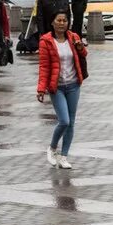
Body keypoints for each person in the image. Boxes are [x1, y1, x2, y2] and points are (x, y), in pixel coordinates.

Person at [35, 11, 89, 170]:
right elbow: (44, 66)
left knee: (71, 122)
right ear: (52, 22)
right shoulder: (46, 41)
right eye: (58, 20)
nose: (61, 23)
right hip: (56, 87)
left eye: (64, 20)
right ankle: (52, 148)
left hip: (73, 85)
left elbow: (84, 54)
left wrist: (80, 48)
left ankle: (64, 156)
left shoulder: (73, 37)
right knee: (64, 120)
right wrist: (41, 89)